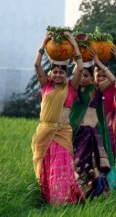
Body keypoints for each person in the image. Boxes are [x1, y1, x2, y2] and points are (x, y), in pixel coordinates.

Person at [31, 31, 85, 205]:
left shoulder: (70, 87)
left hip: (62, 133)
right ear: (50, 74)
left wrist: (73, 44)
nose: (58, 75)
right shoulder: (45, 85)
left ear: (65, 76)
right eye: (55, 72)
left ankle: (61, 200)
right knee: (47, 166)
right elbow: (37, 65)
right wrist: (44, 42)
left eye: (62, 73)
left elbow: (81, 68)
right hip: (45, 132)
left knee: (61, 167)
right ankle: (48, 199)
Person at [70, 49, 116, 199]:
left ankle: (96, 194)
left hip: (93, 134)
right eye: (81, 75)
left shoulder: (96, 89)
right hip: (79, 134)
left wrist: (98, 63)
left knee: (96, 164)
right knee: (79, 165)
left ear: (92, 78)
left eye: (87, 75)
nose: (83, 78)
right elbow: (76, 74)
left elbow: (112, 79)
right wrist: (78, 61)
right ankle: (79, 194)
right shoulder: (73, 90)